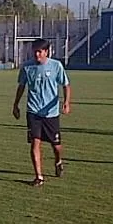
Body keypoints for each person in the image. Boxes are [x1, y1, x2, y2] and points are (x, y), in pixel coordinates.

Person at [12, 38, 71, 187]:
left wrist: (66, 102)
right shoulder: (27, 67)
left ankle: (58, 160)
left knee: (56, 146)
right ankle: (39, 176)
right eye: (35, 51)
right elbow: (21, 86)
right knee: (34, 143)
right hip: (33, 111)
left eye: (40, 51)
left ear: (46, 52)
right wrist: (16, 104)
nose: (37, 54)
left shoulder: (56, 66)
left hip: (51, 113)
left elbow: (66, 85)